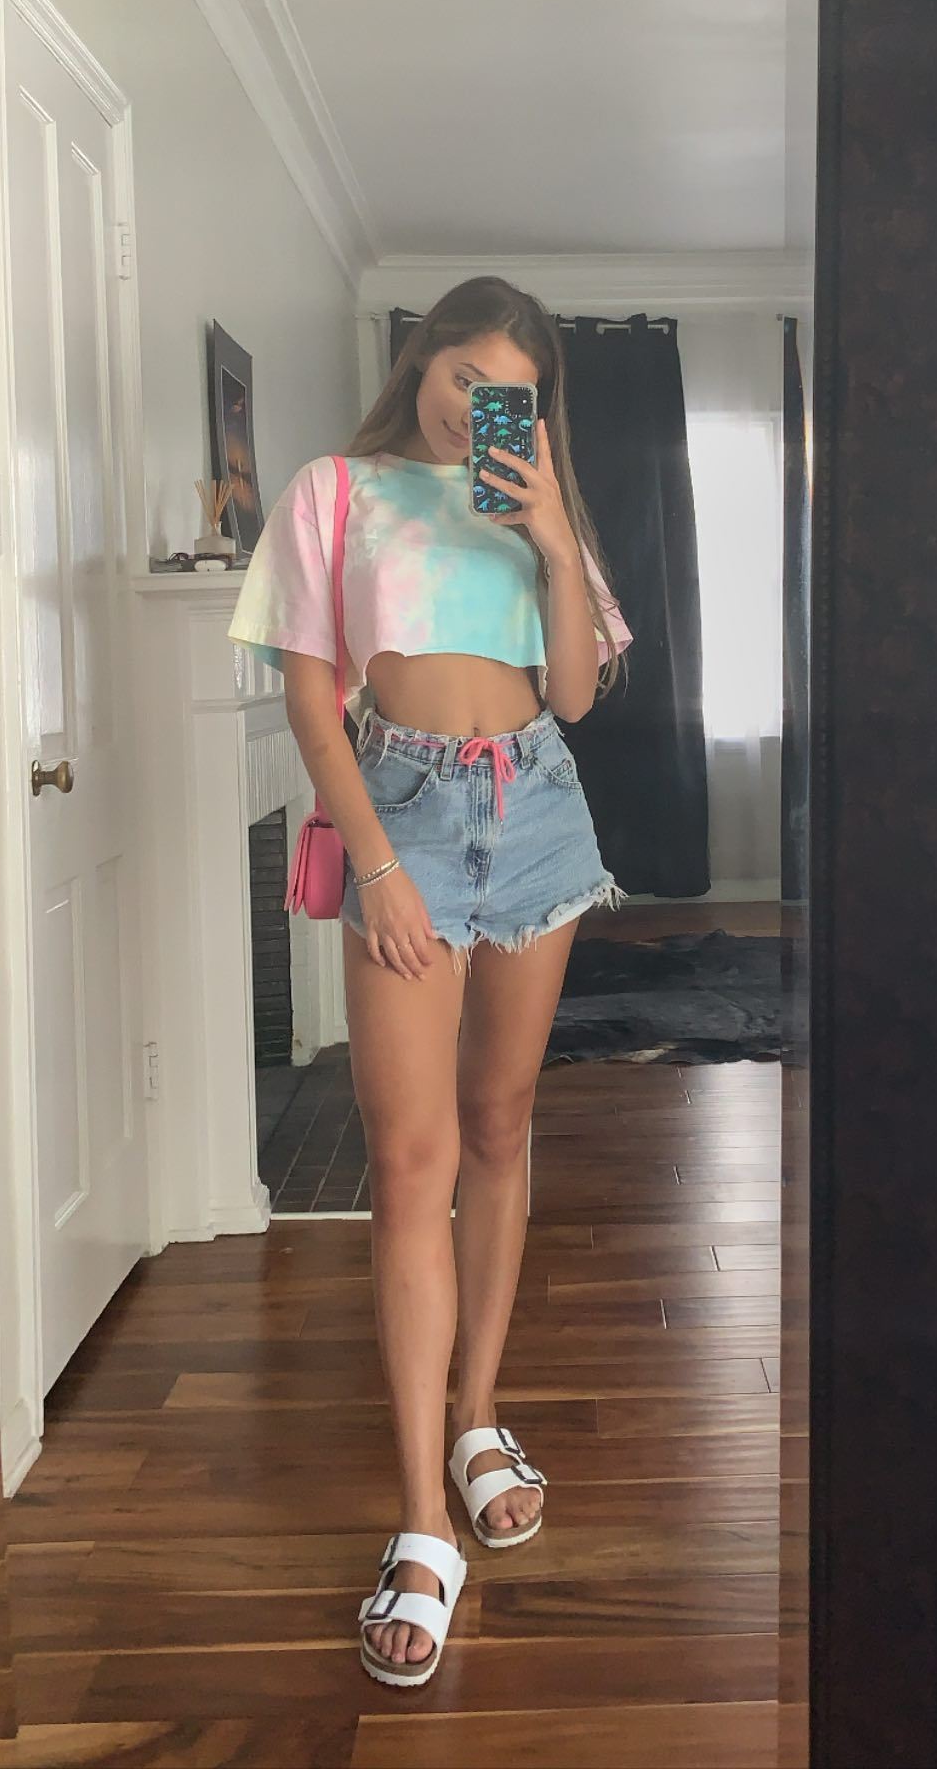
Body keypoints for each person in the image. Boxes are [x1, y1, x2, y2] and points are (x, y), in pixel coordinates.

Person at [227, 276, 633, 1688]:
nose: (481, 408)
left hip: (538, 804)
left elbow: (574, 695)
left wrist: (551, 537)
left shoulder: (536, 507)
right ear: (422, 362)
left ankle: (476, 1417)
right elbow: (309, 698)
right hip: (400, 806)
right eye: (467, 376)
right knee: (408, 1163)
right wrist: (379, 864)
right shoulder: (334, 491)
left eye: (513, 392)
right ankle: (419, 1519)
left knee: (501, 1126)